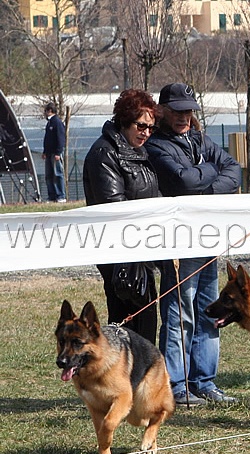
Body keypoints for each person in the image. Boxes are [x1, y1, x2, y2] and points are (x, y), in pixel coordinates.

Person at [146, 83, 242, 407]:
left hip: (207, 237)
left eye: (188, 110)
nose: (184, 116)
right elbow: (183, 182)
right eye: (177, 110)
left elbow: (235, 170)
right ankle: (174, 385)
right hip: (179, 242)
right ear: (162, 111)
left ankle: (204, 381)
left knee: (209, 312)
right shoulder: (158, 145)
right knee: (179, 312)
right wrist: (210, 173)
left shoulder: (199, 139)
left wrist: (207, 188)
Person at [82, 89, 161, 345]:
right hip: (119, 254)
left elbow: (153, 195)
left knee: (146, 327)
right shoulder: (104, 153)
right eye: (141, 125)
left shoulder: (139, 152)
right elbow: (114, 207)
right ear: (125, 119)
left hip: (142, 249)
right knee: (126, 328)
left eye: (151, 127)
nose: (146, 132)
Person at [42, 102, 66, 203]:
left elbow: (60, 138)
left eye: (46, 111)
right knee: (49, 175)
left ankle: (60, 195)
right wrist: (45, 151)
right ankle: (51, 196)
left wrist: (58, 152)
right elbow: (47, 139)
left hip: (55, 153)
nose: (45, 113)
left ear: (50, 111)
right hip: (49, 153)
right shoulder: (49, 124)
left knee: (57, 174)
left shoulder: (57, 122)